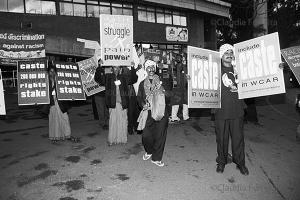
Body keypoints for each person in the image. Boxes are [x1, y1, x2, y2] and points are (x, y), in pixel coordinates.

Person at [213, 44, 249, 175]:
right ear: (221, 55)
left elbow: (258, 74)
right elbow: (201, 81)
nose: (229, 54)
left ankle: (240, 163)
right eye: (226, 52)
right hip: (220, 110)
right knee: (221, 139)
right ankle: (221, 162)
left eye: (231, 52)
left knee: (238, 138)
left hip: (237, 109)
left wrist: (278, 68)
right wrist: (191, 78)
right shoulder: (214, 69)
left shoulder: (239, 69)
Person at [137, 60, 171, 167]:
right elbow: (139, 97)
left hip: (162, 110)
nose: (151, 70)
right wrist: (143, 104)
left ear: (155, 68)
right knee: (146, 136)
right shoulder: (142, 83)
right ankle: (149, 151)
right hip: (148, 112)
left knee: (160, 135)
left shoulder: (163, 81)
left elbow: (170, 95)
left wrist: (164, 91)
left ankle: (156, 158)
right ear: (145, 70)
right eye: (148, 68)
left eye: (152, 67)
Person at [94, 63, 137, 145]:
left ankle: (122, 140)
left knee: (123, 121)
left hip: (122, 104)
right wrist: (99, 67)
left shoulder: (124, 77)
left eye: (118, 67)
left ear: (120, 69)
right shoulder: (108, 77)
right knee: (113, 122)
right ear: (112, 69)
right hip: (113, 104)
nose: (116, 69)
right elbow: (98, 79)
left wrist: (132, 67)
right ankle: (112, 140)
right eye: (114, 67)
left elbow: (134, 79)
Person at [48, 63, 79, 143]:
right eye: (50, 72)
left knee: (65, 118)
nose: (52, 73)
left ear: (56, 72)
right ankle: (55, 137)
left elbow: (68, 89)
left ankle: (67, 135)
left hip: (61, 103)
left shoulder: (60, 79)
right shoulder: (46, 81)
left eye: (53, 71)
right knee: (54, 120)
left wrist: (72, 96)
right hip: (52, 104)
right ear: (48, 73)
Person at [169, 54, 189, 123]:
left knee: (184, 102)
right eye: (177, 58)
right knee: (176, 102)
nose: (179, 59)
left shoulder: (183, 67)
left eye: (179, 58)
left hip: (182, 87)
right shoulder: (173, 67)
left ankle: (185, 116)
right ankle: (175, 116)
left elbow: (187, 77)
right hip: (177, 87)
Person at [93, 61, 109, 130]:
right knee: (101, 109)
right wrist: (99, 67)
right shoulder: (98, 70)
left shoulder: (108, 70)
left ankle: (106, 122)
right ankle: (103, 123)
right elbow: (97, 78)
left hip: (106, 93)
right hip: (99, 94)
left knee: (106, 109)